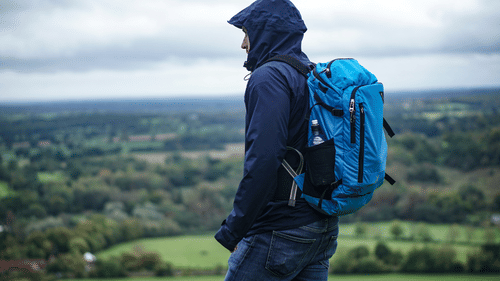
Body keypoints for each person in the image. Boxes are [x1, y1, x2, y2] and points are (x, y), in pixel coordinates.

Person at [214, 0, 339, 280]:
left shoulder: (269, 77)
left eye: (246, 33)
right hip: (322, 226)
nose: (243, 44)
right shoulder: (311, 73)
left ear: (263, 33)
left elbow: (264, 159)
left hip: (280, 230)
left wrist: (234, 230)